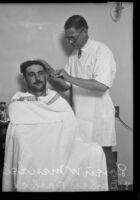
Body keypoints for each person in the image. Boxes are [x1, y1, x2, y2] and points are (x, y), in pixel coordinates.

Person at [2, 60, 108, 192]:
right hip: (36, 151)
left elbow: (71, 128)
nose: (37, 78)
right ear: (24, 78)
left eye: (41, 73)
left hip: (63, 150)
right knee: (28, 152)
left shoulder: (56, 99)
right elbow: (20, 131)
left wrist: (58, 140)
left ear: (46, 75)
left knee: (95, 150)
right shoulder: (18, 102)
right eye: (32, 74)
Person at [38, 15, 118, 191]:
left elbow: (102, 85)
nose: (69, 41)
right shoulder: (74, 56)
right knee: (85, 163)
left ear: (84, 31)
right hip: (81, 118)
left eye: (72, 37)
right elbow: (66, 86)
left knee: (106, 161)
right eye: (67, 37)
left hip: (99, 117)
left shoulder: (102, 51)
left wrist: (69, 77)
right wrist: (50, 72)